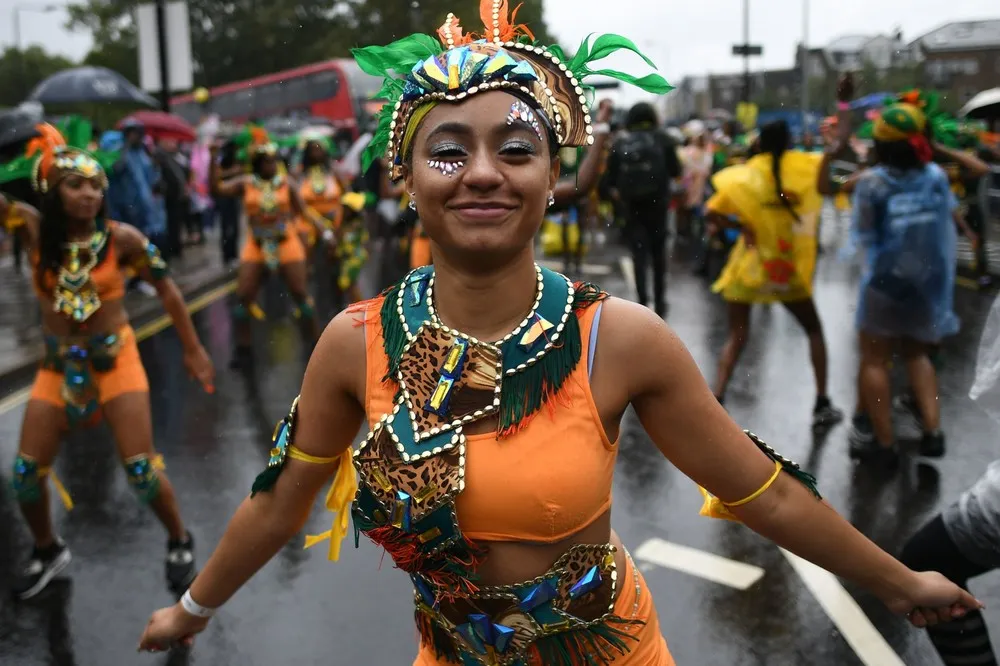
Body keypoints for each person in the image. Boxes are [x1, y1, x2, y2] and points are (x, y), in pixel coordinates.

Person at [139, 6, 981, 663]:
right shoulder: (351, 341)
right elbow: (282, 497)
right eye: (447, 151)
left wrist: (900, 582)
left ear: (552, 177)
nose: (480, 173)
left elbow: (766, 489)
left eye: (514, 148)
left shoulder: (619, 339)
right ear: (404, 177)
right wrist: (193, 608)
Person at [0, 126, 215, 601]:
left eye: (97, 185)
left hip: (115, 361)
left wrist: (193, 348)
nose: (90, 194)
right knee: (26, 476)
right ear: (54, 192)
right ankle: (47, 548)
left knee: (140, 468)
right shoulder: (35, 231)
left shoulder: (123, 240)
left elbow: (168, 290)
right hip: (57, 369)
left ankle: (179, 538)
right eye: (76, 185)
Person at [840, 102, 960, 465]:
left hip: (885, 282)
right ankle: (933, 433)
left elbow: (863, 234)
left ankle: (885, 442)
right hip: (927, 283)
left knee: (875, 360)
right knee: (917, 354)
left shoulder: (873, 183)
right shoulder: (936, 176)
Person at [707, 120, 843, 427]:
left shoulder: (746, 175)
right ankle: (822, 402)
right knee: (813, 330)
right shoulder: (807, 166)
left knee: (737, 336)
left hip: (749, 269)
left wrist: (741, 227)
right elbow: (827, 184)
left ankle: (716, 398)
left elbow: (711, 213)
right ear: (790, 140)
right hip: (787, 272)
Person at [211, 133, 331, 366]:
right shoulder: (245, 183)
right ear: (257, 164)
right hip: (255, 244)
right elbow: (217, 188)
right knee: (244, 295)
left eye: (274, 160)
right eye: (266, 161)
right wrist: (213, 158)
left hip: (286, 241)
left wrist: (325, 232)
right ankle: (244, 350)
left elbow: (304, 211)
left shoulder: (287, 184)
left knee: (300, 293)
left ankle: (318, 347)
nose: (272, 165)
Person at [606, 102, 681, 316]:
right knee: (659, 256)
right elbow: (676, 169)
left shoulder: (621, 143)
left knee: (638, 256)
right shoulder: (663, 139)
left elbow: (609, 180)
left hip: (632, 209)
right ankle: (660, 301)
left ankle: (641, 304)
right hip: (658, 206)